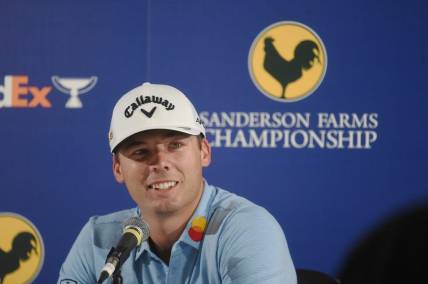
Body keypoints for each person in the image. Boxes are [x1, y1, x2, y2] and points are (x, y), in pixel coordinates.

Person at [58, 82, 297, 283]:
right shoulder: (97, 239)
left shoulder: (247, 228)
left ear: (204, 151)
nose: (160, 162)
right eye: (141, 151)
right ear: (118, 168)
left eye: (175, 145)